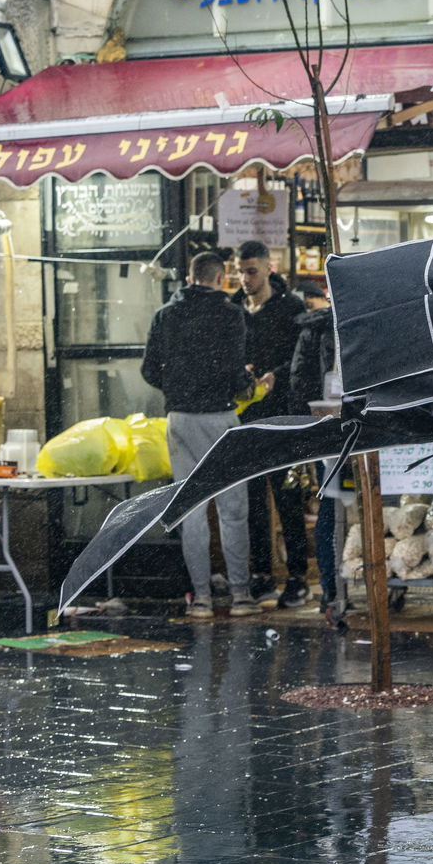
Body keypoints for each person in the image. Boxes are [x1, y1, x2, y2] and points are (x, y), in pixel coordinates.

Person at [140, 252, 264, 619]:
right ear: (220, 277)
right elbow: (235, 370)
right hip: (219, 418)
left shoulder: (165, 315)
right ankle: (240, 595)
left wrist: (178, 387)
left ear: (191, 277)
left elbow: (149, 370)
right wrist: (247, 383)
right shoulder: (230, 314)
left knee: (190, 511)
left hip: (179, 419)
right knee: (232, 509)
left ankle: (202, 599)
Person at [233, 240, 310, 609]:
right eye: (239, 271)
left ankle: (297, 576)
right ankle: (261, 574)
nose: (245, 279)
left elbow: (302, 358)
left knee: (287, 497)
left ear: (268, 268)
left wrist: (277, 376)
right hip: (244, 417)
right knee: (251, 500)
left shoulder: (291, 308)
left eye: (251, 271)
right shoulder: (232, 310)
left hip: (281, 415)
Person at [288, 280, 340, 619]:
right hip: (370, 430)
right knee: (341, 508)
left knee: (333, 507)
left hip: (328, 431)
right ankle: (341, 584)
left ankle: (332, 589)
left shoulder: (314, 330)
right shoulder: (365, 323)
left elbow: (298, 383)